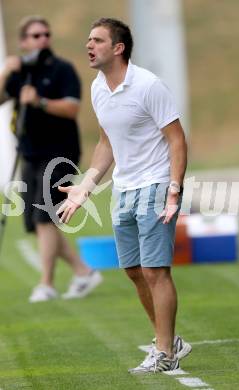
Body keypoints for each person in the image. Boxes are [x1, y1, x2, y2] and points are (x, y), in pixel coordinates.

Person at [57, 18, 191, 373]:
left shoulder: (148, 85)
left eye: (97, 40)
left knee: (154, 271)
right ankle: (167, 340)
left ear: (118, 48)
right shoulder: (98, 88)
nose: (89, 45)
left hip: (157, 184)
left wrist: (174, 190)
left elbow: (176, 139)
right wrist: (86, 187)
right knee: (133, 270)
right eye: (88, 39)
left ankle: (164, 352)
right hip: (124, 187)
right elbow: (106, 143)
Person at [0, 15, 102, 303]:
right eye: (35, 35)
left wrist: (40, 102)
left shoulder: (61, 69)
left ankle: (46, 283)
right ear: (23, 42)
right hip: (30, 153)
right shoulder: (19, 72)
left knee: (45, 217)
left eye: (46, 34)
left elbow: (71, 108)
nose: (42, 39)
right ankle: (83, 272)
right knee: (37, 223)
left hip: (59, 153)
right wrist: (6, 73)